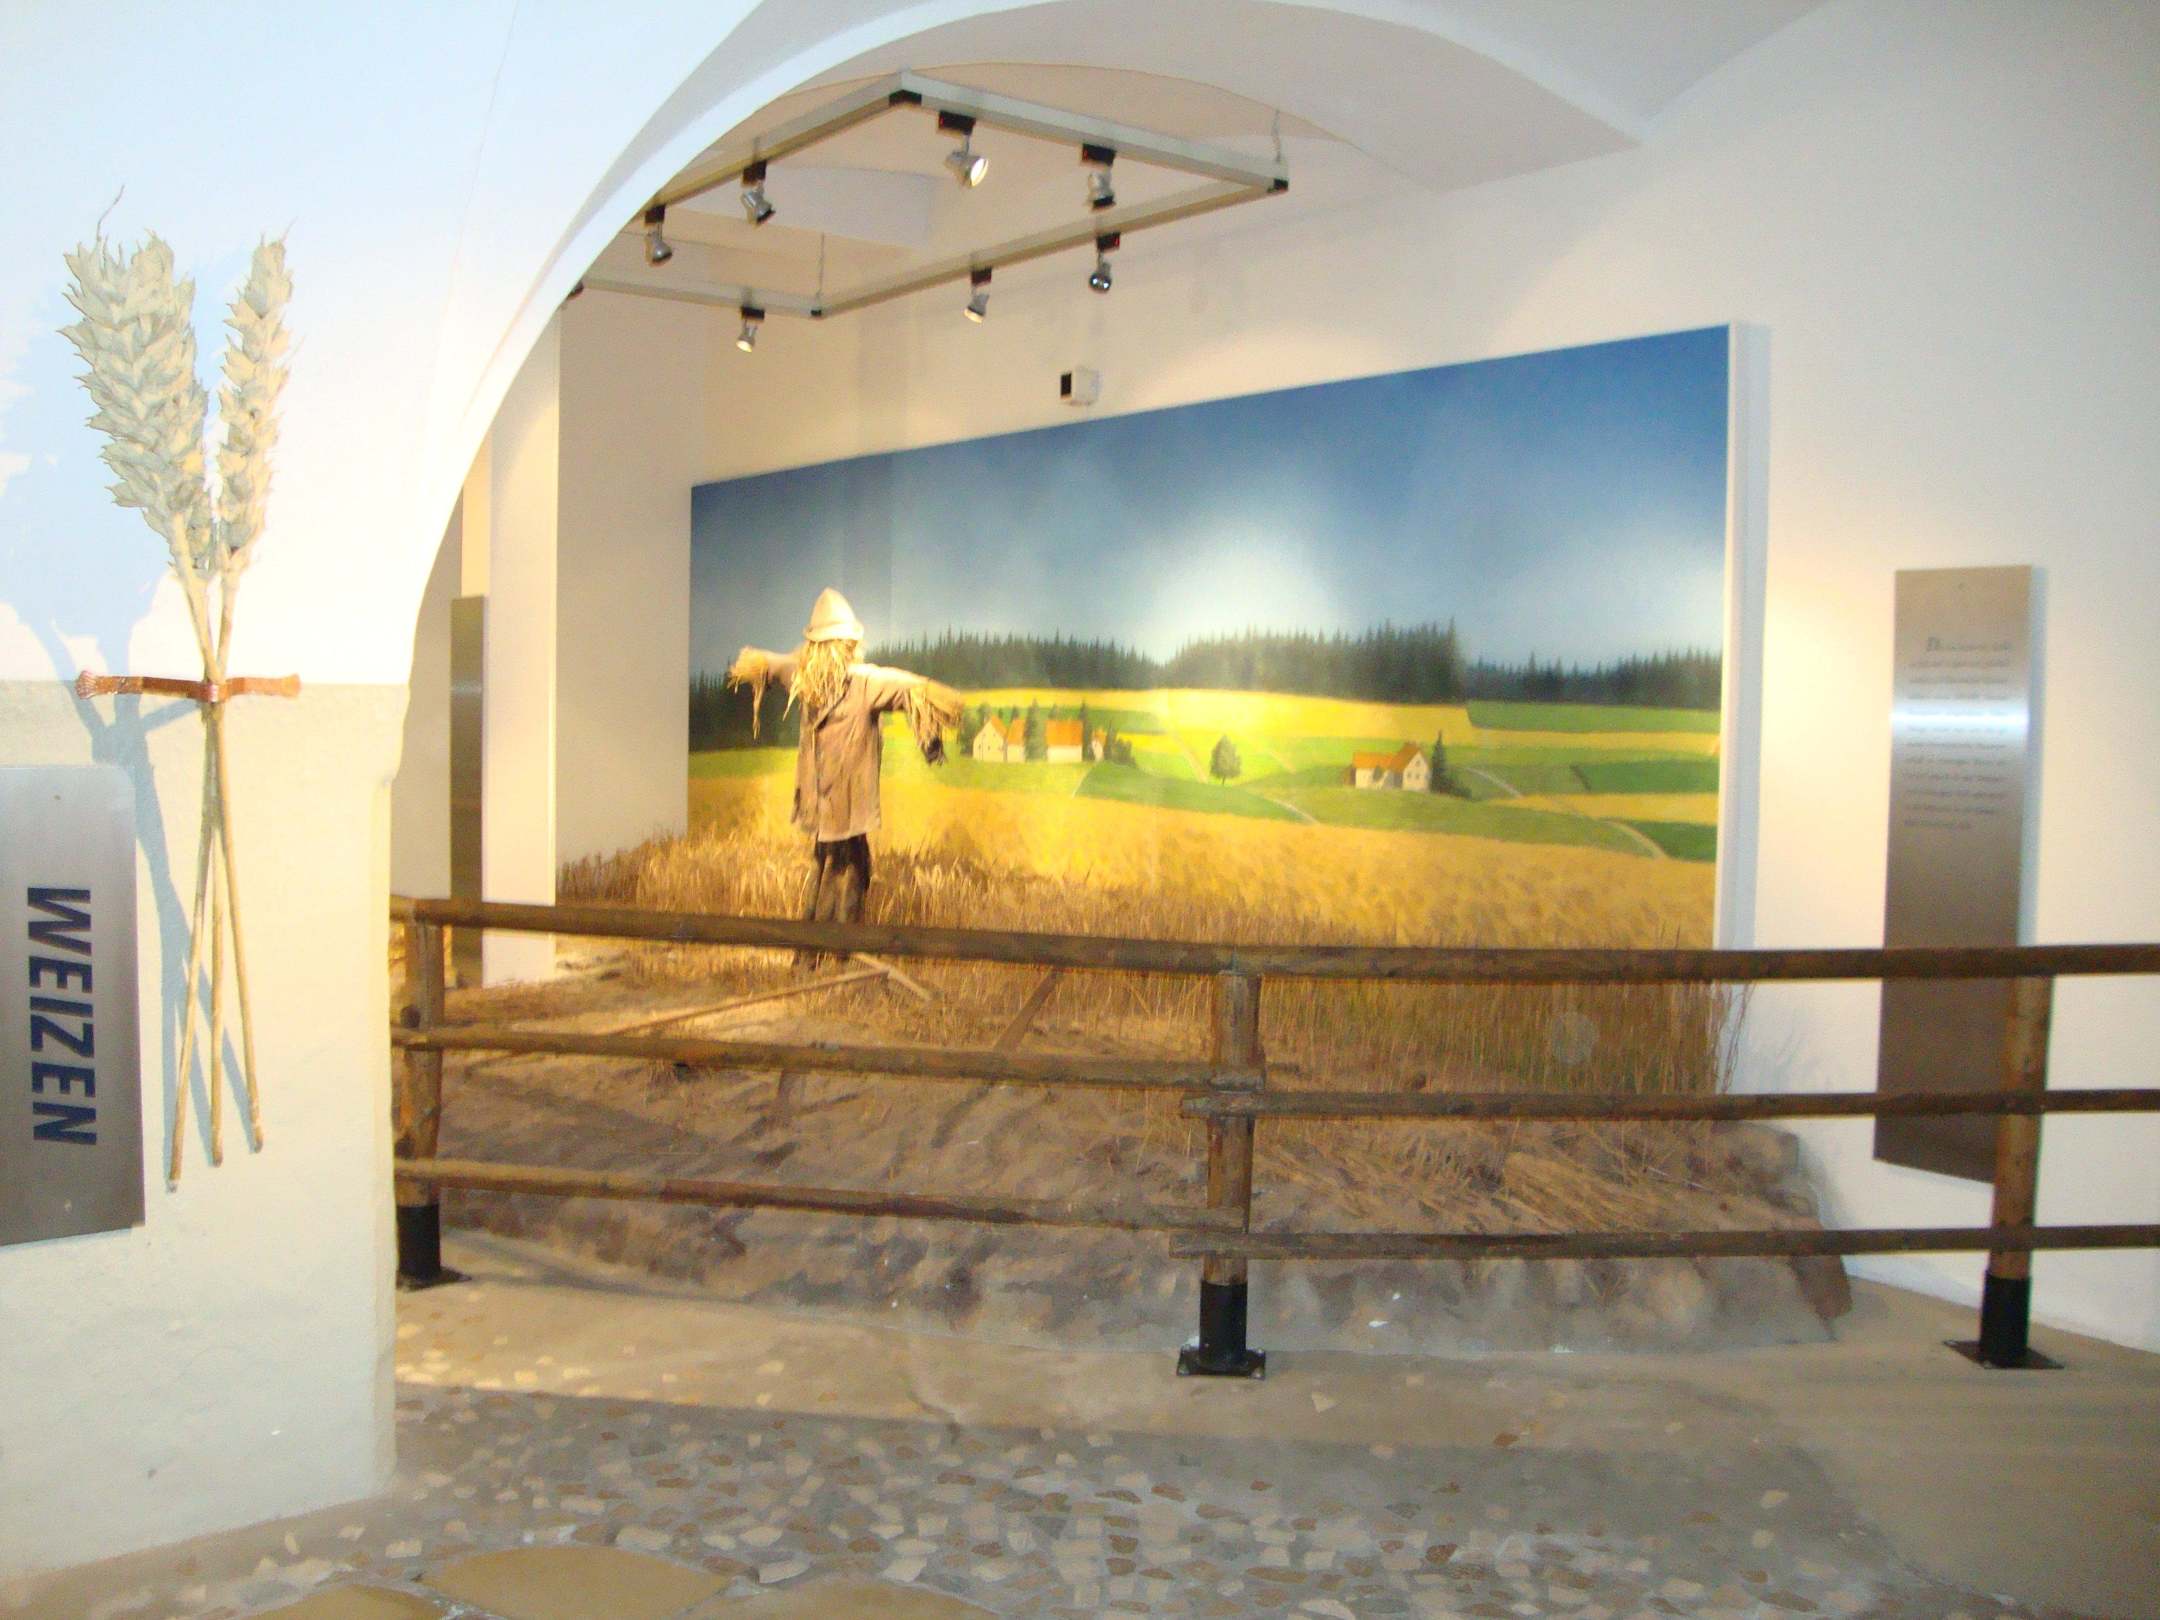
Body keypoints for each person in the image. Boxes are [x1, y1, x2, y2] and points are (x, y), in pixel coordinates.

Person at [727, 588, 960, 932]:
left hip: (849, 804)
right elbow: (771, 665)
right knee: (829, 867)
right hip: (824, 802)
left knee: (846, 868)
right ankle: (824, 943)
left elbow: (911, 689)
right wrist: (754, 666)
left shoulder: (863, 683)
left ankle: (835, 943)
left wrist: (930, 729)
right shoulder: (804, 677)